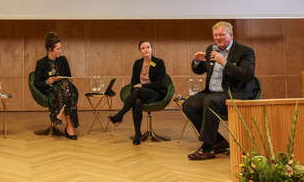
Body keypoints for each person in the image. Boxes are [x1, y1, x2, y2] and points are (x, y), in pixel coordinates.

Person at [182, 21, 256, 160]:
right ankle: (218, 141)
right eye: (215, 35)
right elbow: (200, 70)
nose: (218, 38)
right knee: (188, 105)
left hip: (233, 92)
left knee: (211, 102)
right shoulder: (212, 49)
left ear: (231, 35)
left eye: (222, 34)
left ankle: (208, 148)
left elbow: (247, 75)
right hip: (211, 92)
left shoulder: (245, 51)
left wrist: (223, 62)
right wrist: (197, 62)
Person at [108, 39, 167, 145]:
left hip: (156, 91)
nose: (146, 50)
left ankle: (120, 115)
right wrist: (138, 86)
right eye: (143, 48)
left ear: (152, 48)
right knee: (137, 102)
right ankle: (137, 134)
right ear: (140, 51)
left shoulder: (158, 62)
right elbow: (133, 80)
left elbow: (160, 82)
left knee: (138, 91)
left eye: (148, 47)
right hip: (140, 92)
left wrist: (143, 86)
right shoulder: (137, 63)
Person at [34, 32, 79, 139]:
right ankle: (69, 127)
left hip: (64, 89)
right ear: (50, 49)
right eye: (58, 49)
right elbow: (37, 83)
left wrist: (66, 81)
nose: (60, 51)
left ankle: (60, 115)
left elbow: (69, 77)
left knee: (66, 84)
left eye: (60, 48)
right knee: (67, 91)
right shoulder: (41, 63)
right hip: (50, 91)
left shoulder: (63, 60)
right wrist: (47, 82)